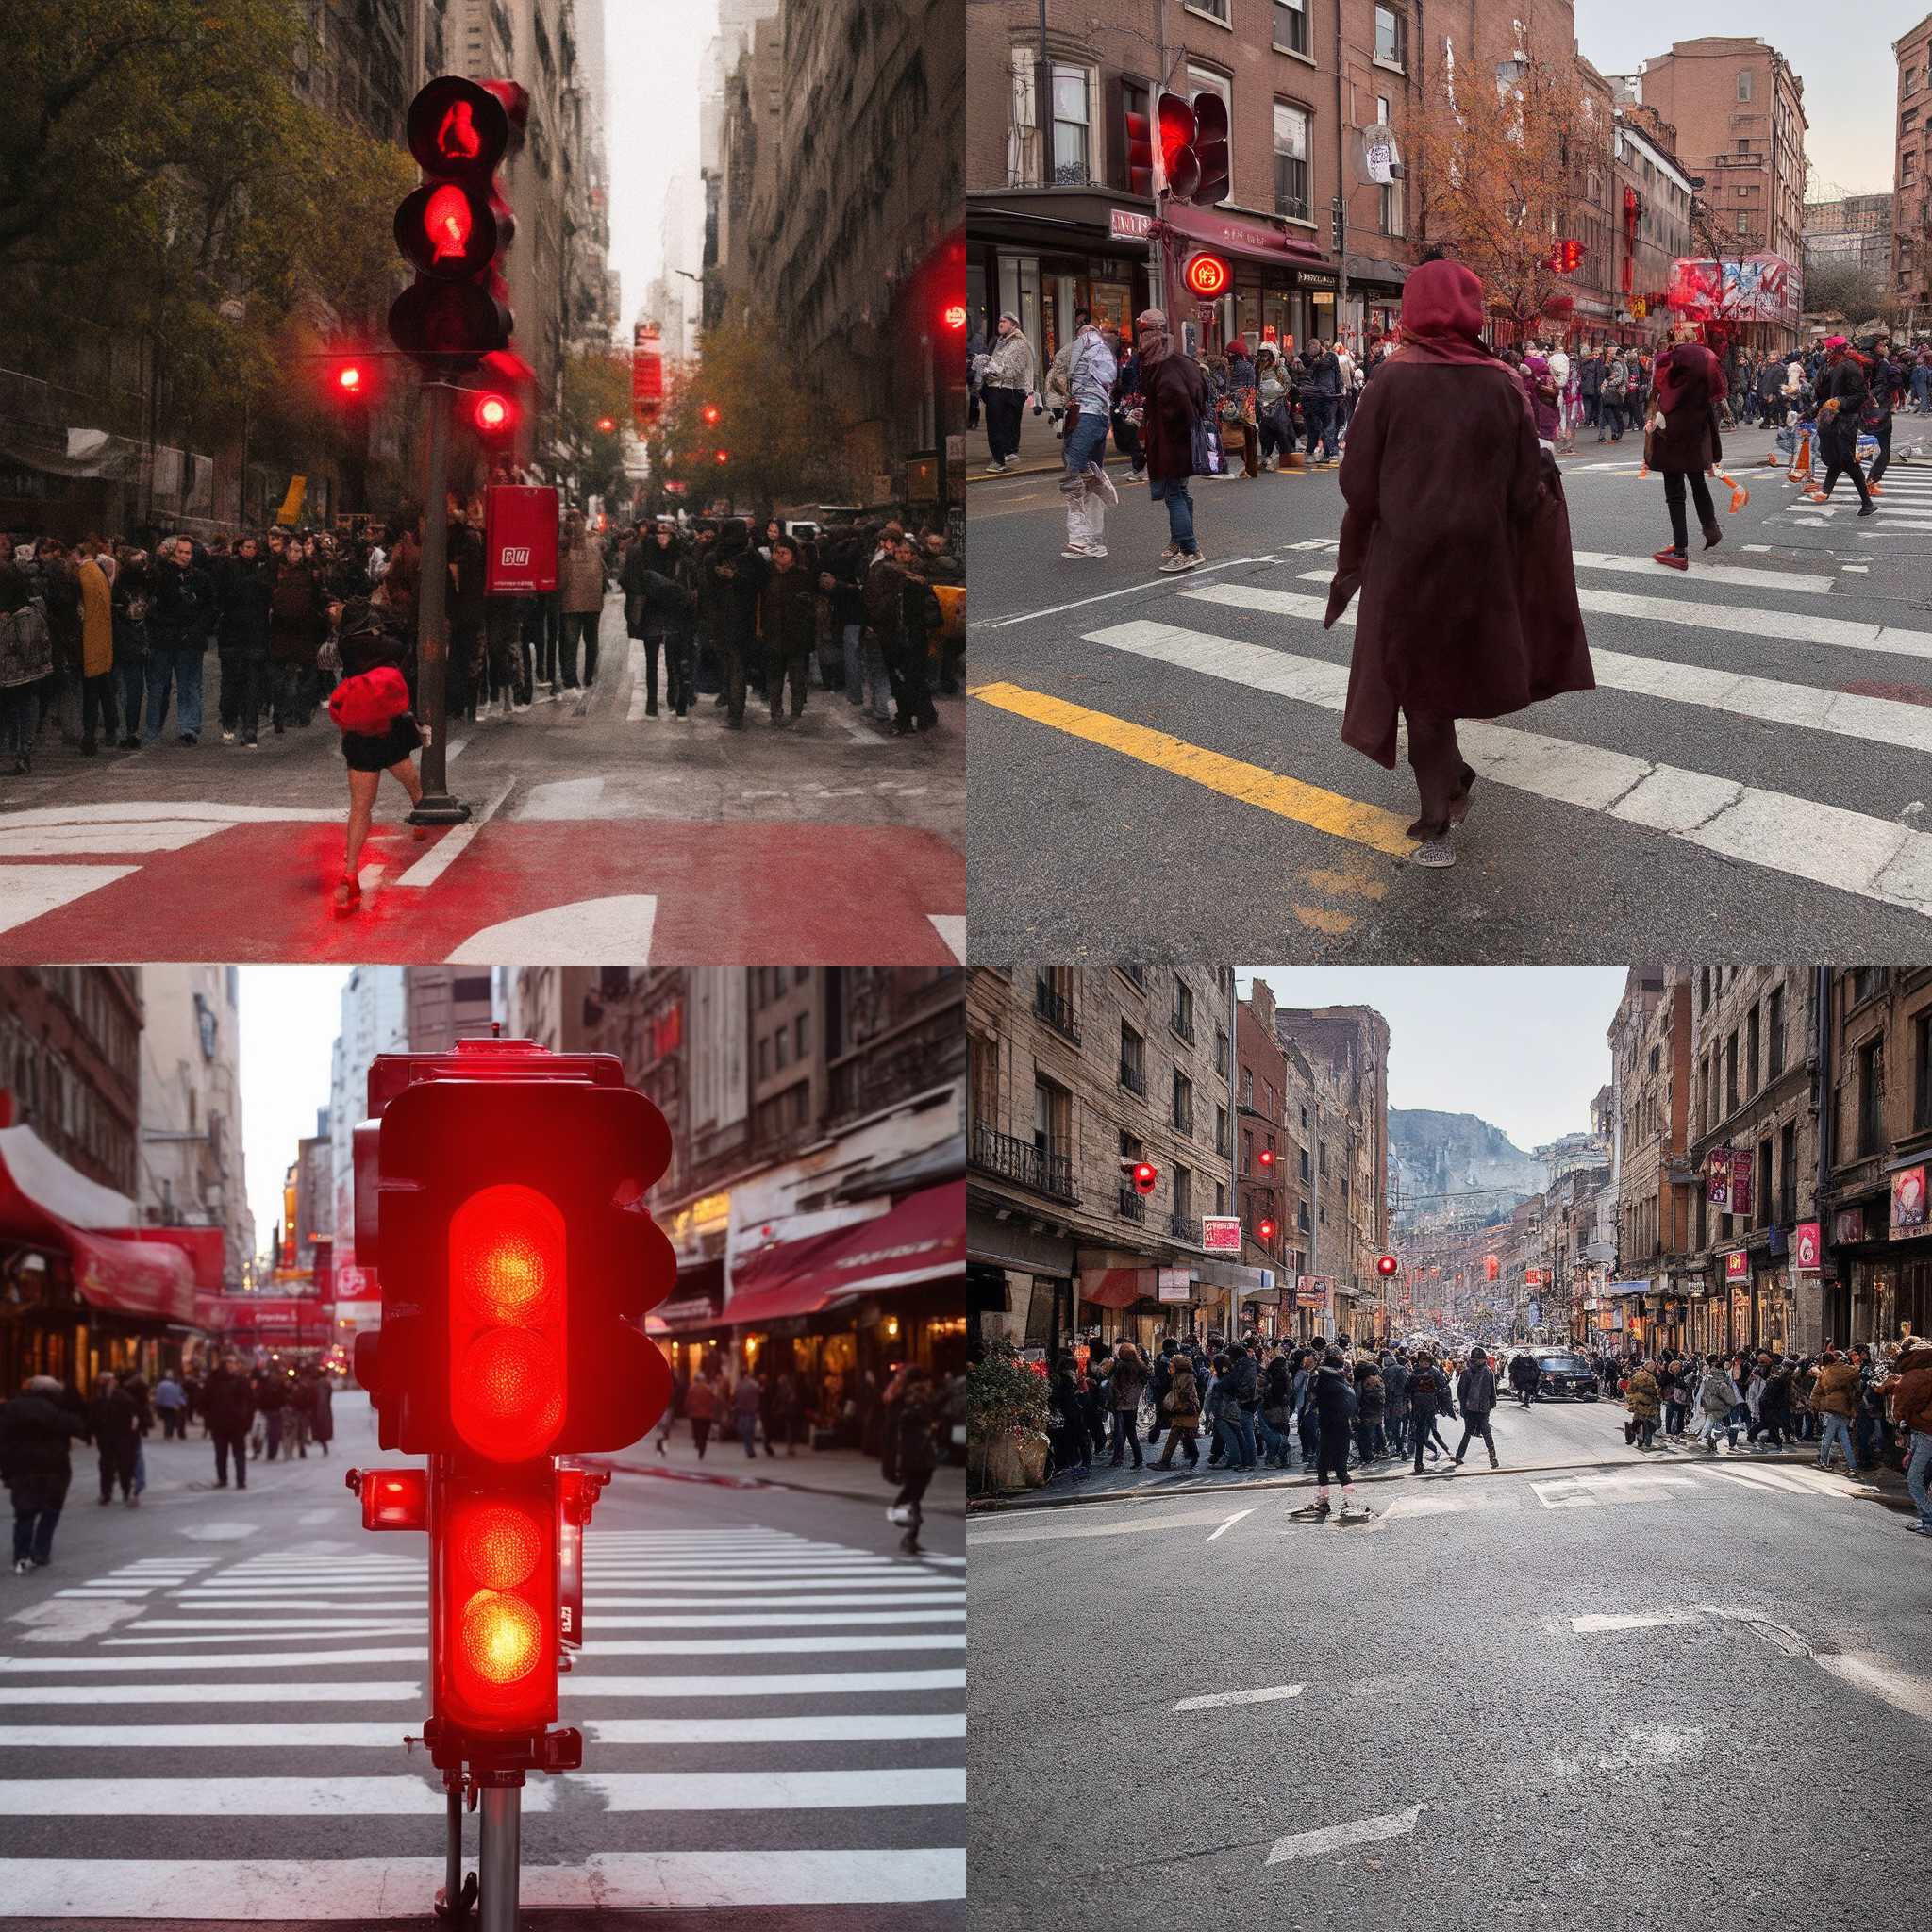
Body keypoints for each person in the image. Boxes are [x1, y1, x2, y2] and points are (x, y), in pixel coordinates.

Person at [1324, 258, 1593, 867]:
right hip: (1480, 563)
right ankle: (1448, 788)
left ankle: (1439, 814)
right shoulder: (1502, 382)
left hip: (1408, 561)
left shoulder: (1391, 380)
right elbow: (1528, 489)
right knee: (1447, 677)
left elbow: (1358, 483)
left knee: (1418, 685)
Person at [329, 600, 425, 915]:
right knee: (409, 778)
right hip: (389, 730)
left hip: (359, 735)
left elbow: (322, 659)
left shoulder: (343, 646)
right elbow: (402, 648)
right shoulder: (388, 645)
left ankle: (350, 871)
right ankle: (420, 813)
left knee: (360, 807)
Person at [1644, 324, 1726, 571]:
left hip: (1670, 431)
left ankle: (1680, 550)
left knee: (1675, 492)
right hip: (1697, 430)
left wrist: (1652, 421)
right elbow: (1714, 398)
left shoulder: (1667, 361)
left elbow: (1658, 394)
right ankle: (1710, 527)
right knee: (1697, 482)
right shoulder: (1706, 359)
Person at [1134, 308, 1210, 574]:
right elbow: (1200, 391)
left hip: (1172, 440)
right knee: (1179, 491)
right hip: (1178, 438)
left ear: (1152, 333)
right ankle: (1180, 541)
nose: (1140, 339)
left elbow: (1176, 399)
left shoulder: (1164, 363)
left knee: (1174, 493)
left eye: (1143, 333)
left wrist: (1161, 419)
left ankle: (1190, 548)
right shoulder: (1176, 358)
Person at [1, 1375, 89, 1572]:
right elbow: (79, 1426)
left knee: (24, 1513)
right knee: (51, 1511)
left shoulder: (12, 1408)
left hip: (22, 1468)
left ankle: (21, 1555)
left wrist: (6, 1470)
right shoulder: (56, 1411)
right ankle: (40, 1552)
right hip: (54, 1468)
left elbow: (3, 1441)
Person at [1058, 310, 1119, 558]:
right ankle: (1086, 538)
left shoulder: (1080, 351)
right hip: (1091, 415)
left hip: (1085, 415)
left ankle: (1085, 539)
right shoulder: (1102, 354)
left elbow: (1055, 378)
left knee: (1074, 473)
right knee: (1081, 472)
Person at [144, 536, 215, 744]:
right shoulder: (159, 576)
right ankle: (152, 729)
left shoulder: (200, 578)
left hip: (189, 640)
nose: (184, 556)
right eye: (181, 552)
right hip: (164, 639)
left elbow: (210, 607)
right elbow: (151, 606)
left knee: (189, 685)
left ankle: (189, 728)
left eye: (188, 552)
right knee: (158, 687)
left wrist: (197, 629)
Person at [622, 520, 695, 718]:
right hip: (651, 612)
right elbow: (629, 581)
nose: (663, 538)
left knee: (673, 660)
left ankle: (673, 697)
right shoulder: (644, 555)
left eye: (667, 535)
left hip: (673, 614)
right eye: (660, 535)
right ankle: (651, 701)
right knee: (651, 661)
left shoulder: (679, 557)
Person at [1291, 1348, 1371, 1521]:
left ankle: (1324, 1501)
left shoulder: (1321, 1380)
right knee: (1340, 1467)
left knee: (1323, 1467)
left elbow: (1311, 1400)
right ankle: (1349, 1500)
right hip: (1343, 1427)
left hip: (1328, 1427)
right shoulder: (1341, 1380)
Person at [1804, 337, 1876, 517]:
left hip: (1845, 420)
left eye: (1828, 349)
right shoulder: (1826, 367)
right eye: (1824, 349)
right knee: (1832, 458)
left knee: (1847, 460)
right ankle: (1826, 491)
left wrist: (1839, 402)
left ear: (1837, 349)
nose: (1824, 352)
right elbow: (1821, 395)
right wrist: (1807, 412)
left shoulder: (1850, 366)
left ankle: (1867, 503)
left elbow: (1860, 396)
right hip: (1828, 420)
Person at [215, 536, 275, 746]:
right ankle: (229, 720)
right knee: (231, 682)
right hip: (232, 633)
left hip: (255, 634)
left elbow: (268, 594)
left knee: (252, 683)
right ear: (240, 548)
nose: (250, 551)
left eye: (253, 547)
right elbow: (223, 595)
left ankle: (250, 728)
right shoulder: (228, 567)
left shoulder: (264, 569)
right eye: (247, 547)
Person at [758, 534, 818, 723]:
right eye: (776, 552)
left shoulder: (802, 576)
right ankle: (775, 711)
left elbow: (810, 605)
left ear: (793, 554)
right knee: (774, 676)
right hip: (772, 631)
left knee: (797, 677)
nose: (779, 555)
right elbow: (759, 602)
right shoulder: (766, 574)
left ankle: (796, 711)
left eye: (784, 552)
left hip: (796, 634)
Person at [0, 564, 53, 775]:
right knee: (17, 711)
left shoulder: (23, 614)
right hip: (13, 674)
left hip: (20, 675)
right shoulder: (21, 610)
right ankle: (18, 753)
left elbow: (28, 647)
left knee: (21, 710)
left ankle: (22, 753)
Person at [1881, 1338, 1932, 1533]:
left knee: (1914, 1477)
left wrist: (1903, 1417)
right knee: (1919, 1473)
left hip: (1925, 1430)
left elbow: (1905, 1402)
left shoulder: (1917, 1376)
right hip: (1921, 1430)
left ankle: (1928, 1519)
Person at [888, 1368, 940, 1555]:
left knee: (915, 1495)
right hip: (915, 1459)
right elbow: (904, 1433)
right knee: (913, 1494)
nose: (929, 1386)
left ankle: (911, 1534)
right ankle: (910, 1532)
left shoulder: (923, 1404)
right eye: (926, 1382)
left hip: (923, 1459)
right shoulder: (911, 1406)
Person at [981, 313, 1036, 473]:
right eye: (999, 320)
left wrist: (990, 369)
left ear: (1014, 325)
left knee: (998, 425)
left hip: (1007, 390)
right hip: (998, 388)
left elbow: (1012, 370)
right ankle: (1004, 456)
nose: (1000, 323)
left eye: (1004, 321)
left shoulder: (1018, 344)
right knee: (1002, 425)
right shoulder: (1000, 342)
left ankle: (1000, 459)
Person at [558, 511, 606, 691]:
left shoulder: (563, 547)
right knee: (591, 640)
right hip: (593, 602)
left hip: (571, 603)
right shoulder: (596, 542)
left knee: (571, 643)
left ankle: (571, 680)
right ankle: (589, 677)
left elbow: (560, 578)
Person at [201, 1353, 254, 1490]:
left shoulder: (242, 1381)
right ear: (224, 1365)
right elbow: (204, 1402)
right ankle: (222, 1479)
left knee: (239, 1453)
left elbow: (250, 1403)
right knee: (221, 1454)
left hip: (237, 1424)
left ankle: (240, 1481)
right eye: (229, 1362)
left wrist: (247, 1422)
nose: (232, 1365)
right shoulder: (213, 1381)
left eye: (234, 1363)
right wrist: (209, 1420)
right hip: (219, 1424)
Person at [87, 1374, 140, 1507]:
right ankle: (118, 1493)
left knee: (113, 1465)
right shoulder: (102, 1399)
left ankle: (111, 1493)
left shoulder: (115, 1398)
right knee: (116, 1465)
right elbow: (134, 1419)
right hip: (115, 1437)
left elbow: (134, 1416)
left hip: (115, 1437)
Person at [1812, 1347, 1862, 1475]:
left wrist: (1817, 1406)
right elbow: (1856, 1374)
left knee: (1827, 1438)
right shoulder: (1844, 1369)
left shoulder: (1824, 1374)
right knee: (1844, 1439)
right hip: (1845, 1408)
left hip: (1831, 1409)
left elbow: (1816, 1393)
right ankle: (1852, 1466)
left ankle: (1823, 1462)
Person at [1452, 1343, 1500, 1468]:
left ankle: (1492, 1457)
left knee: (1484, 1433)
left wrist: (1492, 1400)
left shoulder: (1487, 1372)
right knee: (1472, 1433)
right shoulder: (1468, 1373)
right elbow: (1461, 1392)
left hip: (1481, 1408)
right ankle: (1460, 1456)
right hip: (1472, 1409)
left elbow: (1492, 1389)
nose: (1480, 1361)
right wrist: (1464, 1406)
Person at [1108, 1341, 1148, 1470]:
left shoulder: (1120, 1367)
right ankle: (1138, 1459)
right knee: (1131, 1433)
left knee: (1120, 1433)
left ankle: (1118, 1459)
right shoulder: (1140, 1367)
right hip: (1133, 1405)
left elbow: (1113, 1384)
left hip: (1121, 1404)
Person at [1695, 1354, 1742, 1452]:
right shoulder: (1717, 1375)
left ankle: (1714, 1441)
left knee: (1719, 1425)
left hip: (1716, 1404)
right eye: (1718, 1359)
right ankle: (1730, 1444)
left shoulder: (1708, 1375)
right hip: (1724, 1403)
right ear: (1714, 1363)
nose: (1722, 1361)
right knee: (1729, 1424)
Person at [1623, 1358, 1661, 1451]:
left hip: (1640, 1402)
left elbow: (1630, 1389)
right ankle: (1636, 1433)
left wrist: (1631, 1400)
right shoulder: (1651, 1378)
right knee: (1647, 1420)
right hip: (1646, 1403)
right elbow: (1656, 1391)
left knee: (1639, 1419)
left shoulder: (1637, 1376)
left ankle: (1633, 1432)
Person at [684, 1368, 718, 1459]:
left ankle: (698, 1443)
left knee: (696, 1431)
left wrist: (687, 1410)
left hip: (695, 1415)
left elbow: (688, 1401)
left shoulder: (692, 1389)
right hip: (707, 1415)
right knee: (704, 1433)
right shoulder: (708, 1388)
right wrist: (712, 1411)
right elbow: (713, 1401)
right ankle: (702, 1448)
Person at [732, 1367, 763, 1457]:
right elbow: (761, 1391)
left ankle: (749, 1448)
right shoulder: (754, 1384)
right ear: (748, 1374)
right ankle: (750, 1449)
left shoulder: (738, 1385)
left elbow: (734, 1397)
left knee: (744, 1430)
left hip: (742, 1410)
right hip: (751, 1410)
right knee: (750, 1430)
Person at [153, 1371, 188, 1441]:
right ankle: (169, 1434)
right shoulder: (176, 1385)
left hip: (164, 1405)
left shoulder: (161, 1384)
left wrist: (157, 1403)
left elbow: (159, 1396)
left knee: (167, 1420)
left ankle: (167, 1434)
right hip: (173, 1405)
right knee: (171, 1419)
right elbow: (178, 1395)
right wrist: (182, 1403)